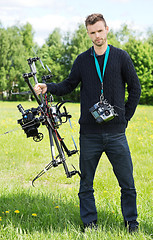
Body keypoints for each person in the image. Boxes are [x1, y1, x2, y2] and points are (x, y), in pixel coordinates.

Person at [34, 13, 141, 233]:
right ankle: (90, 225)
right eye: (92, 32)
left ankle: (132, 223)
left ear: (107, 29)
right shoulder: (82, 60)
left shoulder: (121, 57)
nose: (97, 36)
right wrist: (48, 87)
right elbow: (68, 85)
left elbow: (135, 89)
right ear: (88, 34)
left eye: (100, 31)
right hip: (89, 134)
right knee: (86, 184)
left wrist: (125, 118)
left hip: (116, 133)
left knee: (127, 184)